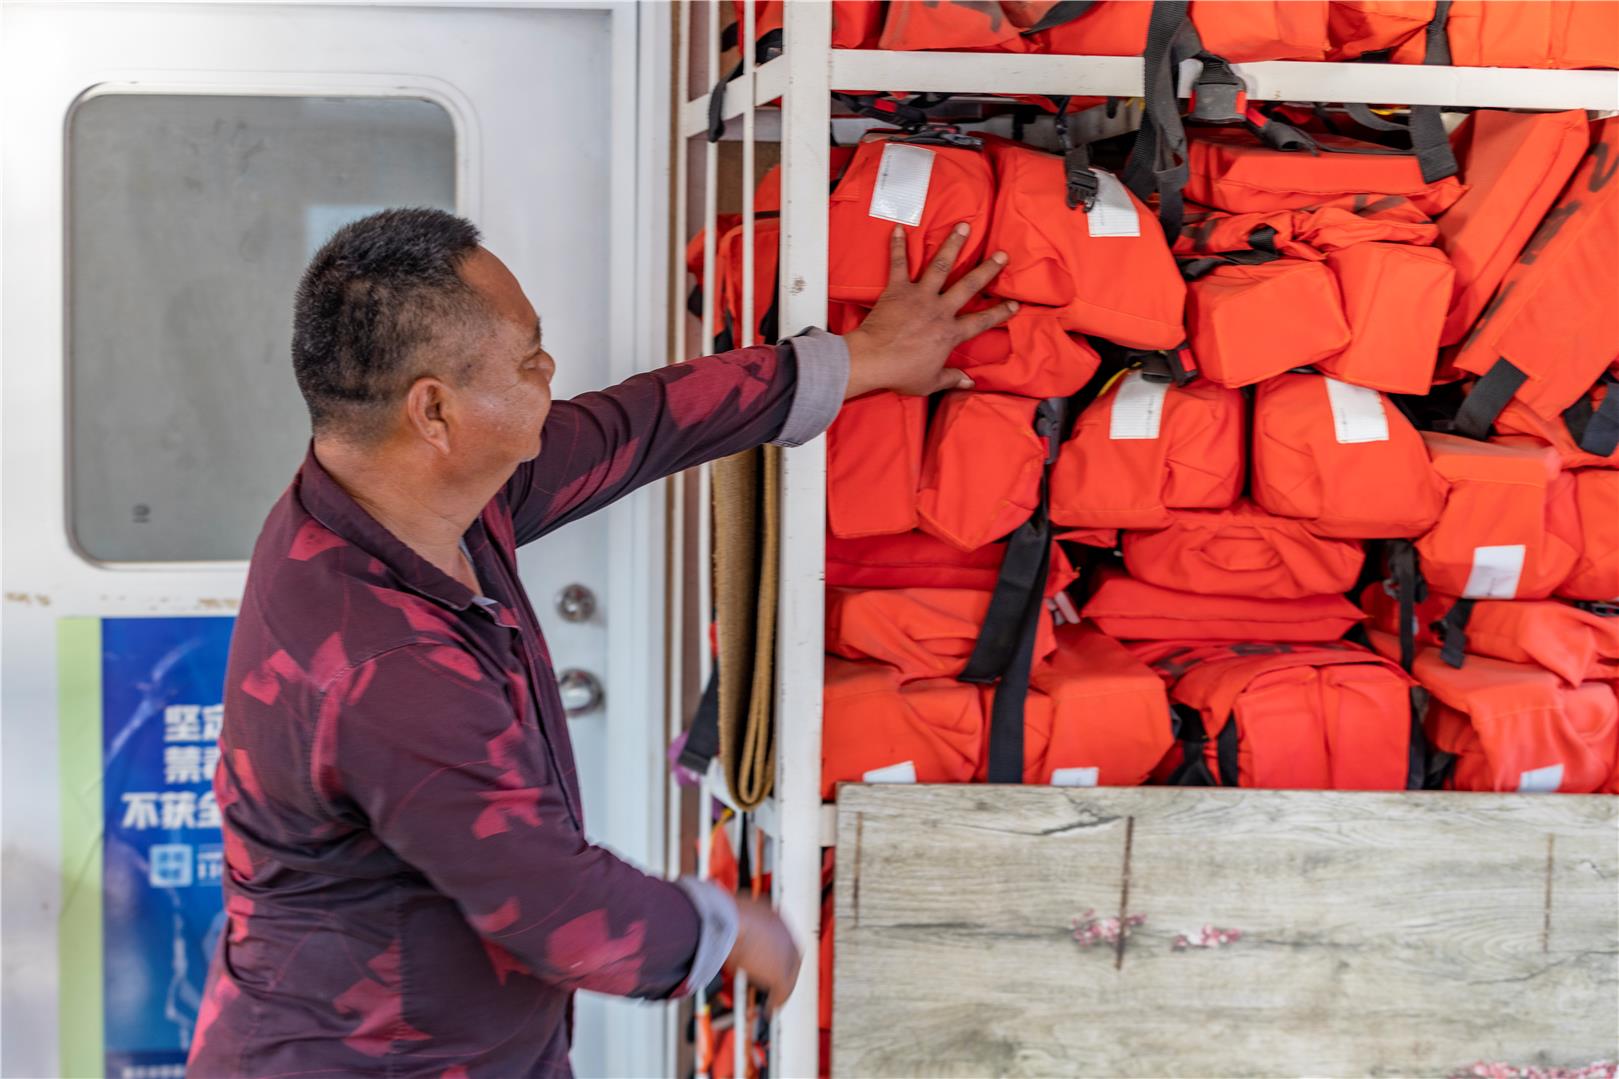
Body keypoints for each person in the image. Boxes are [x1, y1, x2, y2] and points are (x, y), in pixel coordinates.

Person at [186, 207, 1014, 1077]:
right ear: (433, 409)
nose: (549, 371)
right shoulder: (385, 665)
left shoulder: (399, 500)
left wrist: (862, 360)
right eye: (528, 357)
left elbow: (639, 425)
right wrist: (728, 928)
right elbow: (561, 911)